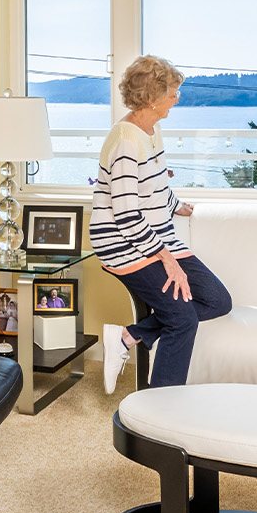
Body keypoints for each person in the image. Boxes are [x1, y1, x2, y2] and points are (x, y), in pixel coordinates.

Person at [93, 55, 232, 394]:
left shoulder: (151, 128)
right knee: (182, 320)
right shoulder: (126, 141)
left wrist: (175, 205)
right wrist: (166, 258)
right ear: (152, 98)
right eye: (172, 92)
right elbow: (126, 214)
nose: (177, 98)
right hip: (125, 245)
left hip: (156, 238)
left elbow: (153, 184)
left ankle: (128, 336)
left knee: (217, 300)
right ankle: (159, 408)